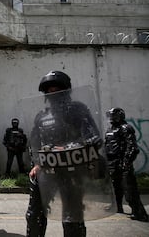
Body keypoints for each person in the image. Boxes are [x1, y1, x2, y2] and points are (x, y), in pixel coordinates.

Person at [25, 71, 104, 237]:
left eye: (57, 90)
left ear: (66, 91)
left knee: (72, 217)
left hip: (72, 171)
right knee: (34, 215)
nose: (53, 94)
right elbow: (35, 143)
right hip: (47, 170)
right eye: (49, 91)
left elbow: (93, 137)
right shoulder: (42, 116)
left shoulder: (79, 110)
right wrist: (37, 163)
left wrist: (72, 147)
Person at [104, 107, 148, 222]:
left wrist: (126, 162)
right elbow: (107, 146)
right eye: (110, 116)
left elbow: (132, 147)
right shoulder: (109, 129)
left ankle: (139, 212)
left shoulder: (126, 128)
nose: (111, 118)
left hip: (122, 161)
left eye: (113, 115)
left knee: (129, 188)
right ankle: (117, 207)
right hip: (112, 162)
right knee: (114, 187)